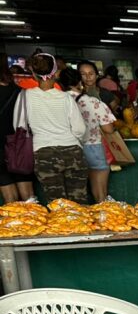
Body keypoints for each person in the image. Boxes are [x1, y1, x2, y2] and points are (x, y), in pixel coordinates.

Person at [17, 54, 88, 203]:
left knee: (57, 203)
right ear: (56, 73)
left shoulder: (25, 96)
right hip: (72, 151)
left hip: (44, 153)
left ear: (34, 74)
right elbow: (80, 129)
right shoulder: (66, 98)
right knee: (79, 201)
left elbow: (19, 125)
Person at [60, 68, 116, 202]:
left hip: (68, 149)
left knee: (74, 192)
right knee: (100, 192)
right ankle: (102, 216)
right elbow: (108, 129)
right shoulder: (92, 102)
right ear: (80, 82)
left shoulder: (58, 101)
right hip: (93, 147)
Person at [0, 62, 35, 203]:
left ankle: (17, 223)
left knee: (9, 195)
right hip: (20, 144)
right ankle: (35, 220)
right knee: (27, 190)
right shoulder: (20, 92)